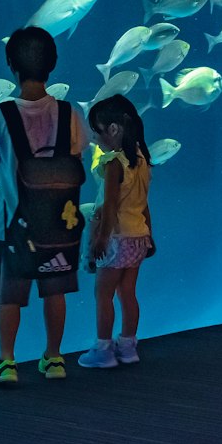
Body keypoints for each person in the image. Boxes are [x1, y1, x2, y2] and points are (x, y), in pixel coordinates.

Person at [0, 26, 88, 385]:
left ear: (11, 64)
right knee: (55, 291)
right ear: (53, 65)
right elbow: (77, 153)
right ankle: (54, 358)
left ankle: (6, 362)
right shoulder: (72, 112)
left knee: (10, 294)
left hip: (13, 224)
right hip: (60, 223)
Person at [78, 94, 153, 369]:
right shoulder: (143, 159)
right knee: (128, 292)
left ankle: (104, 350)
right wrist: (150, 235)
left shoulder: (114, 163)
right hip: (138, 238)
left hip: (116, 239)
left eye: (96, 131)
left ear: (113, 129)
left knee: (103, 294)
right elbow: (144, 204)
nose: (94, 139)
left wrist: (100, 238)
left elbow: (109, 207)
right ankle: (129, 346)